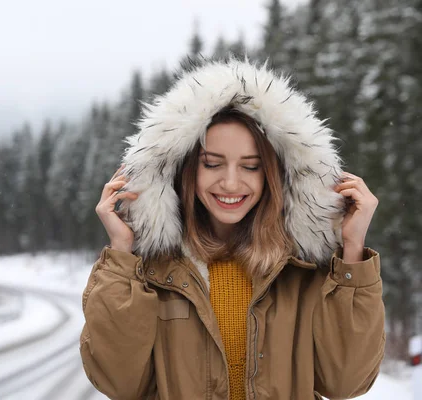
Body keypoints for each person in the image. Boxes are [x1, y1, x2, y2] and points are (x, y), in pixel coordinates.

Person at [79, 59, 385, 400]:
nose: (230, 183)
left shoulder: (303, 270)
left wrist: (353, 249)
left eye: (251, 167)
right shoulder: (151, 271)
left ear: (274, 175)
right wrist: (122, 252)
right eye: (212, 164)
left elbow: (346, 383)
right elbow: (118, 382)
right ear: (186, 169)